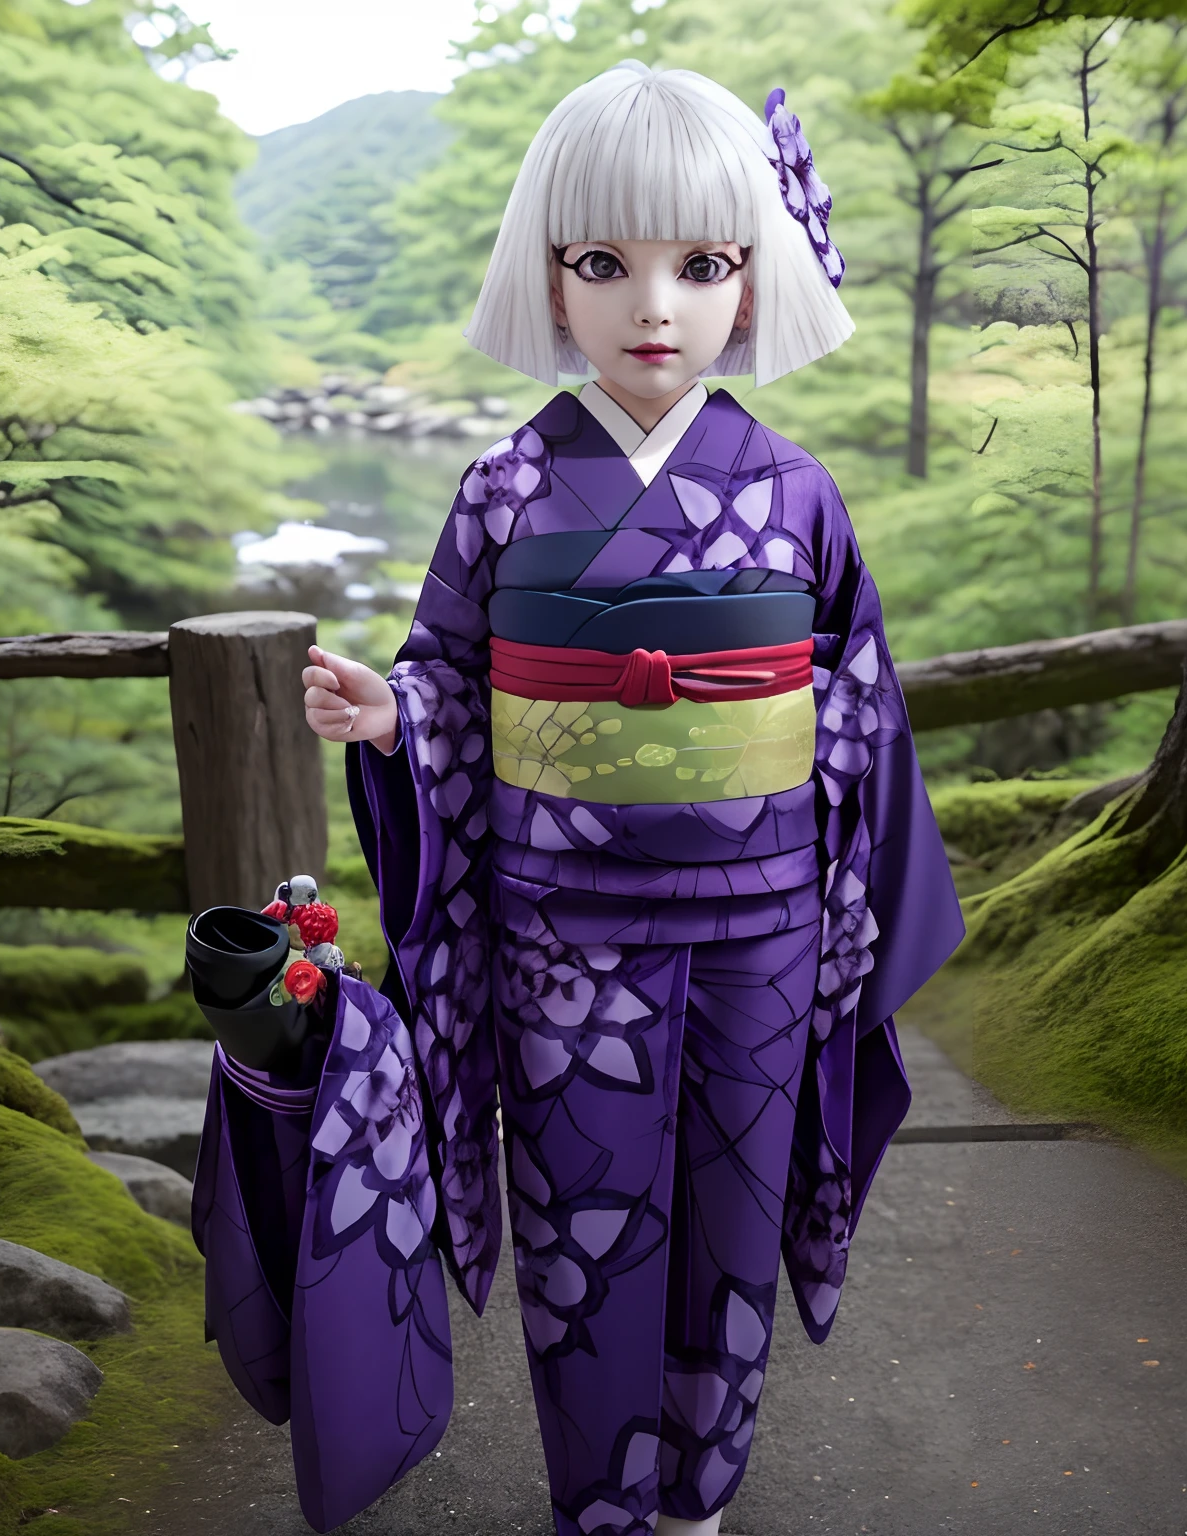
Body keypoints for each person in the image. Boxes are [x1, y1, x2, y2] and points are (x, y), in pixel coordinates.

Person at [200, 61, 962, 1536]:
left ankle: (702, 1499)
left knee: (727, 1217)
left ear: (754, 278)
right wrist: (399, 716)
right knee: (581, 1230)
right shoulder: (502, 487)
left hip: (762, 923)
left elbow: (854, 716)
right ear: (552, 280)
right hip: (566, 937)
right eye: (606, 265)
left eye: (703, 264)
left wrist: (848, 912)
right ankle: (601, 1502)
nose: (654, 308)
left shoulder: (796, 489)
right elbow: (451, 677)